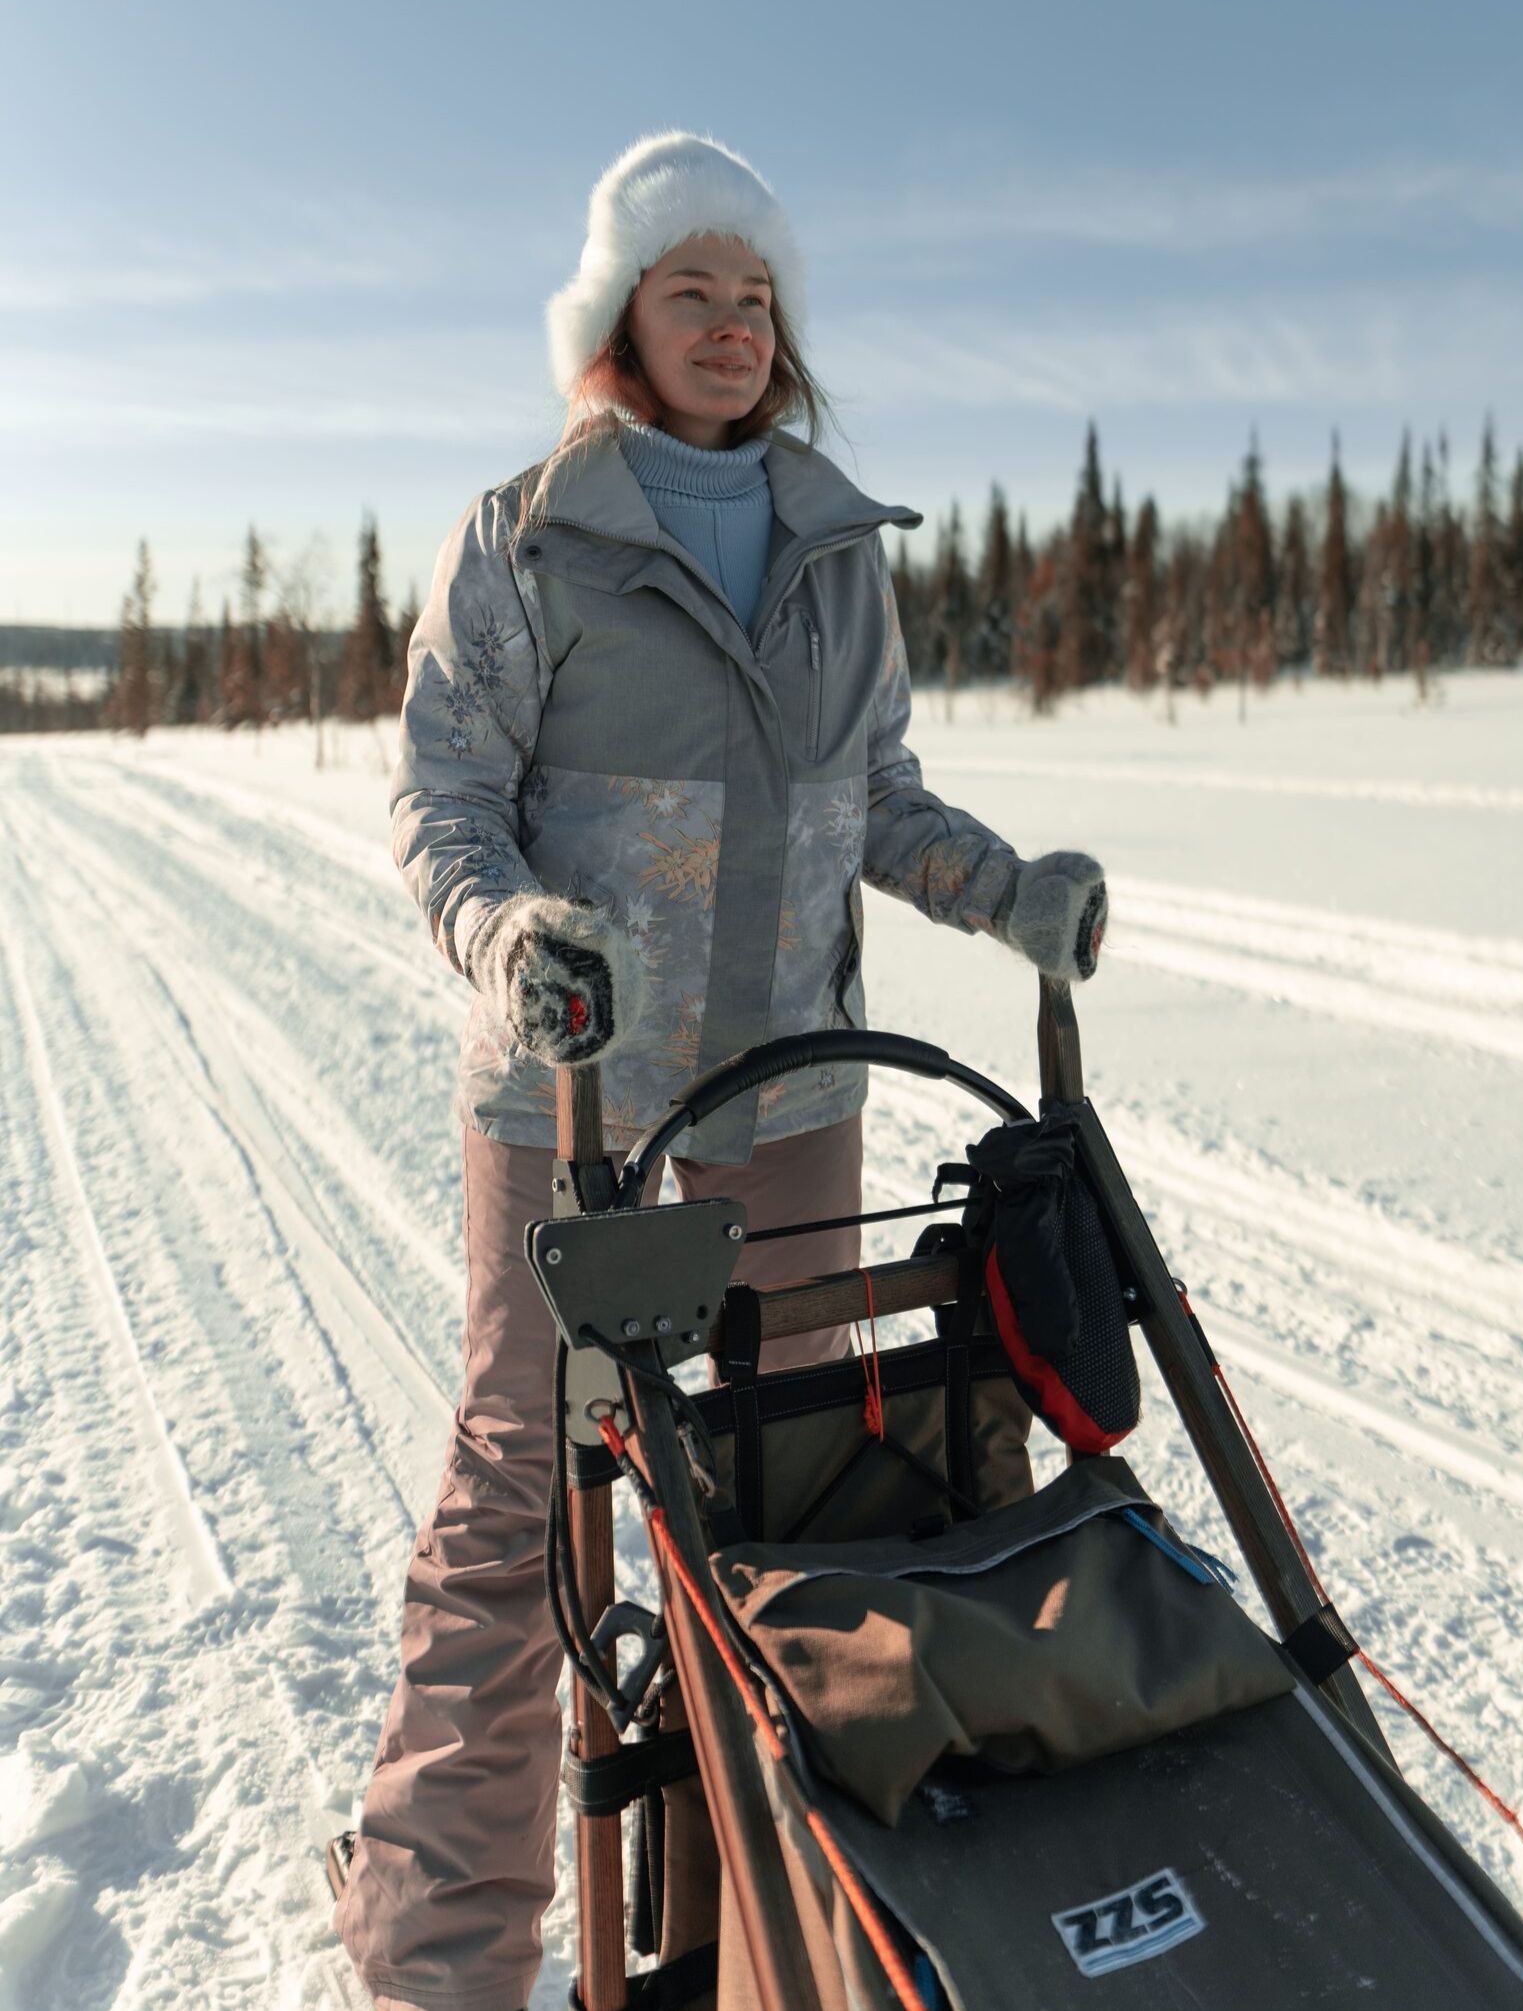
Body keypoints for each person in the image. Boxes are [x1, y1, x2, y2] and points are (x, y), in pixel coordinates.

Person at [332, 131, 1108, 2011]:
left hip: (788, 1086)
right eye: (692, 288)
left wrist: (1002, 890)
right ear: (616, 317)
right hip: (575, 1089)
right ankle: (437, 1943)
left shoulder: (839, 549)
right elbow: (445, 801)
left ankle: (768, 1916)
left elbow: (878, 799)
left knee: (795, 1477)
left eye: (756, 294)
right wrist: (508, 937)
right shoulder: (527, 536)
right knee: (526, 1486)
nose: (734, 322)